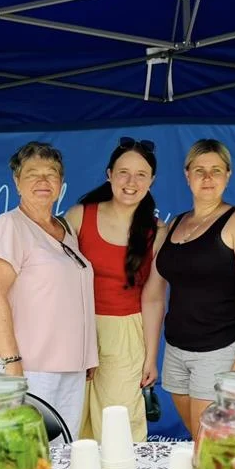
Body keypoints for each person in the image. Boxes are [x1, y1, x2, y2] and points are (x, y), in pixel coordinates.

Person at [142, 139, 235, 440]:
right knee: (201, 440)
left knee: (210, 441)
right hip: (176, 351)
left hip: (218, 351)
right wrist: (150, 357)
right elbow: (154, 296)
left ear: (228, 175)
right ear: (187, 175)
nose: (207, 177)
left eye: (216, 170)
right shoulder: (174, 225)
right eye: (199, 170)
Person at [0, 142, 98, 436]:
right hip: (28, 368)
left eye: (51, 173)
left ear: (61, 182)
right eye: (32, 173)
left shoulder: (65, 230)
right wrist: (11, 364)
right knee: (24, 449)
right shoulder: (10, 225)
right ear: (17, 181)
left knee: (62, 450)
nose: (43, 181)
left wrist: (87, 355)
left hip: (69, 368)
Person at [65, 137, 166, 443]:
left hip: (125, 334)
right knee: (73, 421)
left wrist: (150, 357)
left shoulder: (157, 232)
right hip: (77, 328)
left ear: (152, 180)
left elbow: (153, 298)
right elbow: (60, 282)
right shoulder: (79, 215)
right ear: (109, 174)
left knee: (119, 426)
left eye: (141, 174)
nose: (131, 182)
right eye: (123, 172)